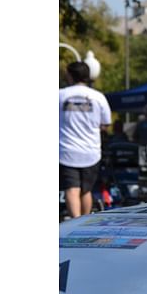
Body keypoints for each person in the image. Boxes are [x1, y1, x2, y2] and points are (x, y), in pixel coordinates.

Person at [59, 61, 112, 218]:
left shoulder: (60, 95)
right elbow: (106, 123)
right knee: (86, 190)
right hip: (91, 151)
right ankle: (84, 222)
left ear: (69, 75)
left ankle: (74, 222)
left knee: (71, 189)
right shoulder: (98, 97)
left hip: (66, 150)